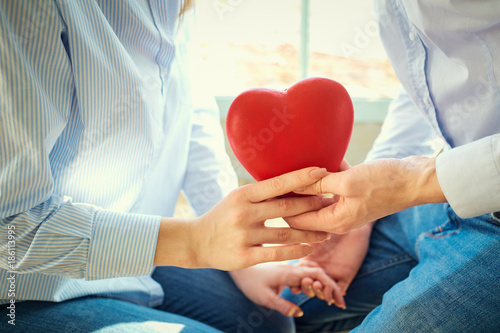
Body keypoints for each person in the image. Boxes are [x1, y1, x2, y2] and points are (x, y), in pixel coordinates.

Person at [0, 1, 344, 332]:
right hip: (24, 288)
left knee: (272, 320)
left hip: (138, 259)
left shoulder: (174, 7)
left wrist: (241, 252)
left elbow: (192, 120)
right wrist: (195, 242)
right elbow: (10, 229)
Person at [280, 1, 500, 332]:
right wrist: (368, 213)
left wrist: (411, 183)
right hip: (444, 195)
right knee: (288, 309)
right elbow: (434, 82)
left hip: (477, 205)